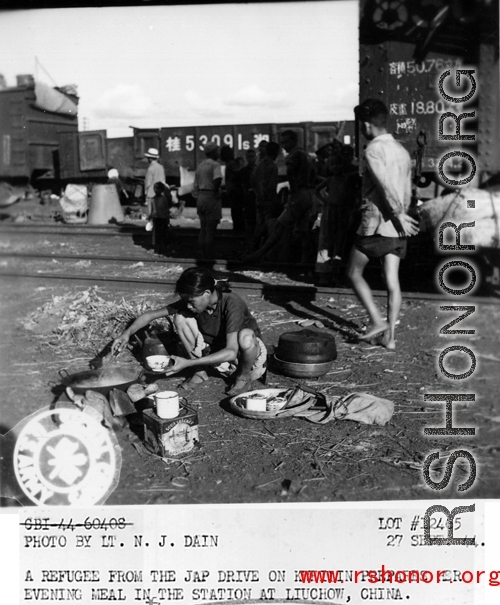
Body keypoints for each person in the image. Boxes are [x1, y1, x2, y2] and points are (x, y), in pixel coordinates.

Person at [111, 267, 267, 396]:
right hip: (220, 360)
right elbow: (151, 315)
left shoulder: (232, 303)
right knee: (181, 317)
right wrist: (126, 333)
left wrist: (187, 363)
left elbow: (232, 352)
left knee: (245, 336)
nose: (189, 306)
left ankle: (243, 378)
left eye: (192, 302)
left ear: (207, 293)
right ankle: (200, 372)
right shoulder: (194, 300)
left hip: (247, 361)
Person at [346, 98, 419, 350]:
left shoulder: (373, 150)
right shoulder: (401, 150)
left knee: (353, 272)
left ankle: (377, 322)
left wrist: (397, 213)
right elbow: (407, 190)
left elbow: (383, 185)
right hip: (398, 228)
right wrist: (404, 216)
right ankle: (390, 339)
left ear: (366, 124)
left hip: (378, 224)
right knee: (392, 280)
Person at [314, 143, 359, 286]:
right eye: (333, 165)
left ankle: (334, 274)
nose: (336, 167)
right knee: (327, 240)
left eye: (338, 164)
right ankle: (323, 275)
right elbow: (316, 190)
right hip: (330, 211)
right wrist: (324, 201)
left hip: (342, 211)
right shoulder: (330, 180)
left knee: (339, 242)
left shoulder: (345, 178)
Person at [192, 142, 223, 259]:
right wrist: (216, 191)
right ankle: (209, 255)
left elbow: (195, 186)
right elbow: (218, 179)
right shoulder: (215, 165)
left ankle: (201, 253)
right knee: (210, 229)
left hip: (201, 197)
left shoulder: (200, 166)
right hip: (211, 197)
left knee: (203, 228)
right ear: (214, 152)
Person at [251, 141, 281, 250]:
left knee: (259, 225)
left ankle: (253, 248)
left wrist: (259, 195)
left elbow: (253, 181)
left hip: (259, 199)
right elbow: (271, 187)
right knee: (267, 227)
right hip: (268, 201)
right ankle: (262, 251)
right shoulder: (273, 167)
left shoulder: (259, 164)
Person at [220, 145, 245, 233]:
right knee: (237, 212)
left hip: (234, 192)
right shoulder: (232, 163)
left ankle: (238, 231)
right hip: (235, 191)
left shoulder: (230, 164)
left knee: (236, 212)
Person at [149, 181, 172, 255]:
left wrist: (167, 219)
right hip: (158, 218)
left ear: (161, 190)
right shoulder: (160, 199)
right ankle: (159, 249)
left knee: (160, 234)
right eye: (155, 189)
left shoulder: (154, 199)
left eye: (157, 189)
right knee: (158, 235)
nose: (156, 190)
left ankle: (160, 249)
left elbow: (166, 210)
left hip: (161, 218)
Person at [144, 148, 166, 215]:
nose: (147, 159)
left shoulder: (150, 169)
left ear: (150, 159)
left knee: (151, 214)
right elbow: (163, 180)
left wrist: (146, 193)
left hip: (151, 194)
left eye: (148, 158)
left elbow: (148, 183)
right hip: (160, 194)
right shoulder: (161, 167)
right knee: (159, 213)